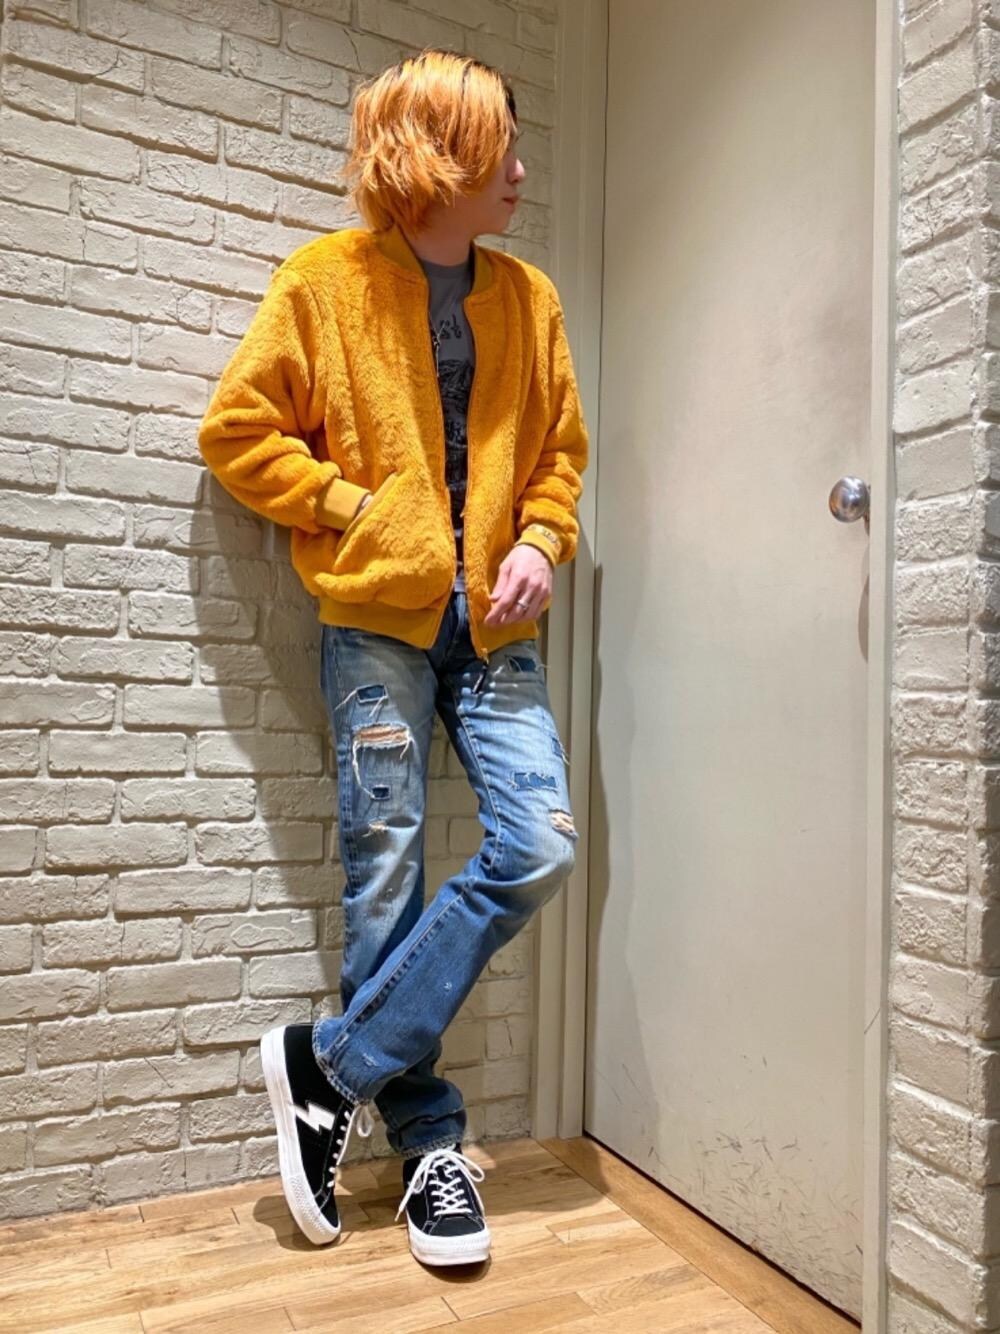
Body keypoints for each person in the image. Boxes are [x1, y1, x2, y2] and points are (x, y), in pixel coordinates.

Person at [197, 47, 588, 1268]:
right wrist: (358, 511)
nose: (518, 172)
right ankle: (428, 1149)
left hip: (497, 630)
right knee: (386, 874)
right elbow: (238, 430)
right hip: (377, 617)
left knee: (539, 843)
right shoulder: (325, 281)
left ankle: (332, 1065)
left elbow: (560, 453)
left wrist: (540, 538)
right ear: (437, 157)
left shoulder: (529, 297)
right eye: (498, 150)